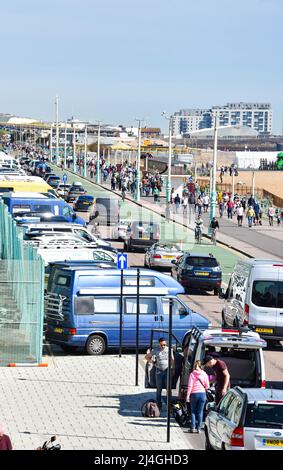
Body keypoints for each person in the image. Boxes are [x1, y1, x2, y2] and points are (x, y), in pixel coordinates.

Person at [145, 338, 174, 411]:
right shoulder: (156, 350)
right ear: (159, 344)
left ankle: (169, 405)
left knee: (168, 388)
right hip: (159, 371)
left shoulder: (169, 350)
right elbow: (147, 357)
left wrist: (172, 368)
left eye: (164, 345)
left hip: (167, 370)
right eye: (161, 345)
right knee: (159, 389)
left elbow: (172, 359)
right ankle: (159, 404)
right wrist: (153, 362)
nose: (163, 346)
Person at [186, 361, 209, 433]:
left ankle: (192, 428)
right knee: (200, 412)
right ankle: (199, 429)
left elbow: (190, 386)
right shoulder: (204, 374)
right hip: (202, 394)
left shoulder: (192, 374)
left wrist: (187, 396)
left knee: (193, 411)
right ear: (201, 366)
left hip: (194, 394)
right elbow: (207, 386)